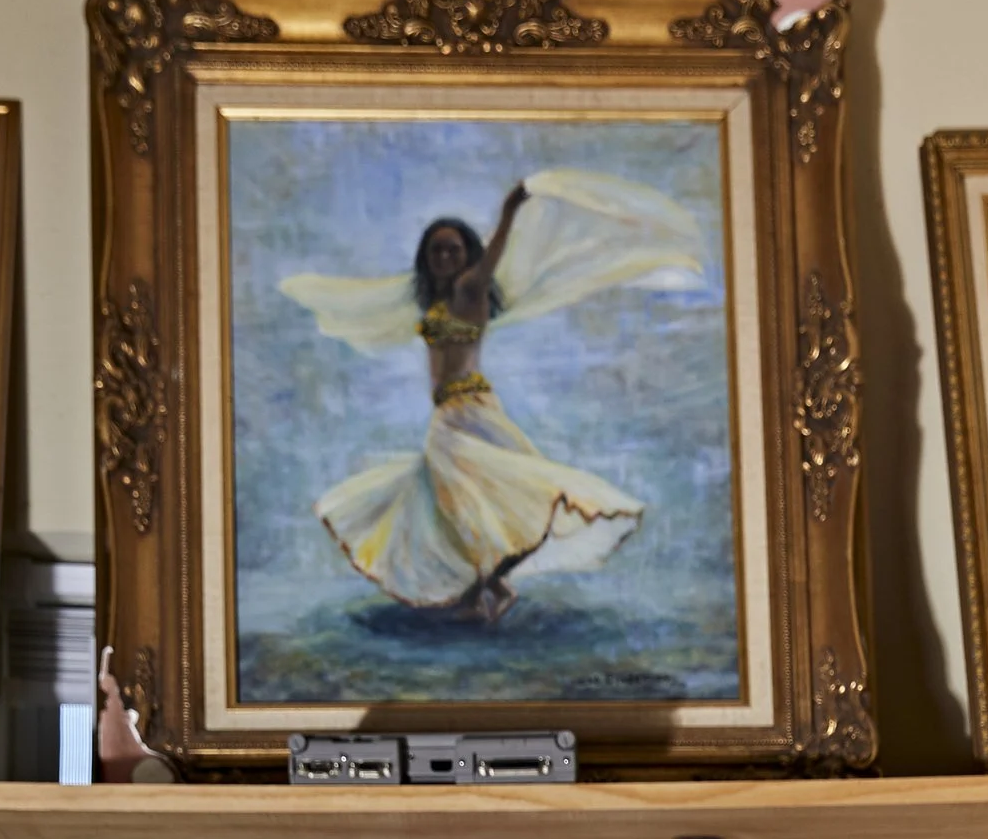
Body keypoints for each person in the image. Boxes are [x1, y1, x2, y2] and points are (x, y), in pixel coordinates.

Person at [277, 166, 704, 621]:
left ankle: (484, 587)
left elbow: (492, 258)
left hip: (469, 408)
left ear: (467, 257)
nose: (444, 256)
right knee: (457, 503)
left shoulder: (469, 289)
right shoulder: (436, 303)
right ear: (426, 257)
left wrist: (509, 210)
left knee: (477, 498)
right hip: (450, 411)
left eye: (452, 249)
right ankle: (489, 588)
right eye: (436, 250)